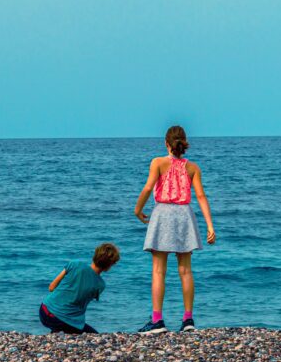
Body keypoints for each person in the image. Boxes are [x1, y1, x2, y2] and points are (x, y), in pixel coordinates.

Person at [134, 125, 216, 333]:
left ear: (166, 143)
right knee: (185, 270)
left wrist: (138, 210)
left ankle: (157, 320)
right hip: (184, 215)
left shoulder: (158, 162)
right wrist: (209, 225)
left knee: (158, 270)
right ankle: (188, 320)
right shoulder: (193, 168)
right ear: (184, 144)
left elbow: (148, 187)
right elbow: (201, 196)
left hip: (163, 214)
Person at [39, 243, 120, 334]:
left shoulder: (75, 264)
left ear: (95, 255)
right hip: (63, 321)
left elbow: (51, 287)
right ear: (109, 265)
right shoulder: (100, 285)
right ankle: (58, 330)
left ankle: (56, 332)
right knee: (95, 335)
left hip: (44, 311)